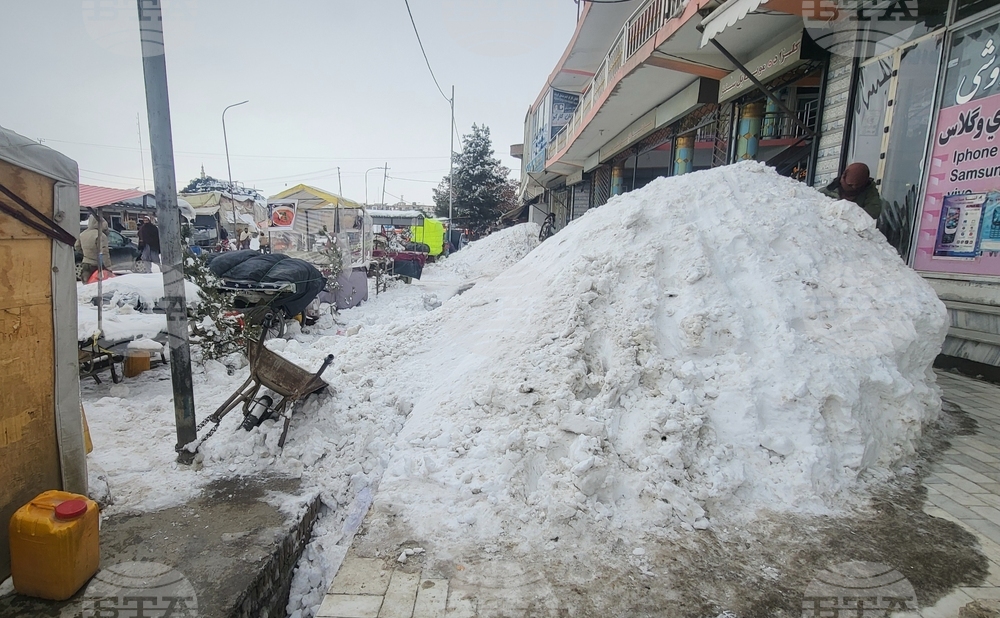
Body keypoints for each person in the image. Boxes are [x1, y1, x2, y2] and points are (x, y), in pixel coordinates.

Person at [76, 215, 110, 283]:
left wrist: (86, 254)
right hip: (97, 266)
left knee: (87, 285)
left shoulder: (82, 234)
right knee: (97, 286)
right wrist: (108, 267)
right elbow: (104, 252)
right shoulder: (100, 235)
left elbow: (77, 246)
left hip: (85, 263)